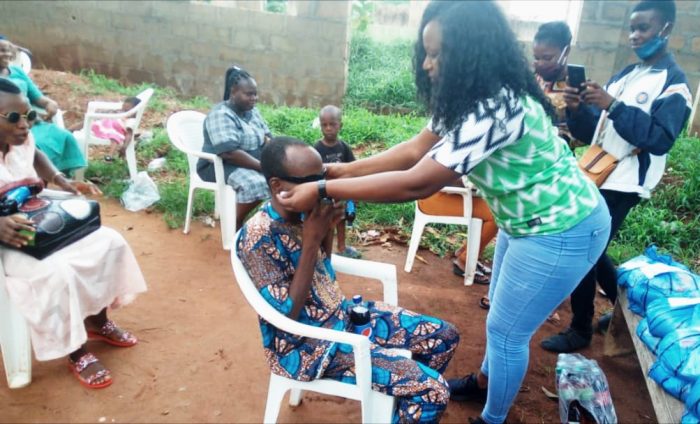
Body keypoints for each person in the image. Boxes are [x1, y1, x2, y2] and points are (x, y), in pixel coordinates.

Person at [276, 2, 611, 423]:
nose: (427, 64)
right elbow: (415, 149)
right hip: (524, 220)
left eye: (436, 54)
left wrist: (323, 187)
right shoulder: (466, 96)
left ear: (470, 53)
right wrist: (340, 170)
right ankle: (485, 382)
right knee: (502, 318)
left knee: (507, 332)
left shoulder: (495, 108)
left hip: (563, 228)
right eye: (426, 52)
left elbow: (417, 182)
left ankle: (492, 419)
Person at [237, 137, 460, 423]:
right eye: (310, 182)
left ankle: (400, 405)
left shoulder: (304, 215)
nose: (320, 188)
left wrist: (326, 229)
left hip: (340, 317)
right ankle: (412, 396)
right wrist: (312, 239)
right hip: (306, 348)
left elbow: (323, 269)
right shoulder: (258, 237)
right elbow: (287, 315)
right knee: (434, 391)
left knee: (444, 337)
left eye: (322, 179)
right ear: (277, 185)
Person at [541, 0, 692, 353]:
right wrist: (578, 109)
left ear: (666, 29)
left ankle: (580, 328)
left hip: (625, 182)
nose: (634, 35)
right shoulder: (626, 75)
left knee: (584, 249)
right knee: (594, 250)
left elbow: (659, 139)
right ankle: (625, 310)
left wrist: (613, 104)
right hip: (599, 173)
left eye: (643, 28)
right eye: (632, 28)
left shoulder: (674, 85)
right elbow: (594, 132)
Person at [0, 79, 147, 389]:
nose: (25, 124)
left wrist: (60, 179)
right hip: (10, 244)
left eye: (28, 116)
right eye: (13, 117)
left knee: (109, 242)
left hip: (36, 221)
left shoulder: (20, 139)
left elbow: (36, 155)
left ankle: (97, 321)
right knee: (59, 273)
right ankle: (75, 349)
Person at [197, 65, 271, 230]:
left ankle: (270, 226)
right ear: (233, 92)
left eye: (255, 94)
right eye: (248, 94)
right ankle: (234, 223)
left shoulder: (253, 112)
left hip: (250, 161)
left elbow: (267, 137)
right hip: (219, 165)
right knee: (256, 183)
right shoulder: (220, 114)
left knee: (281, 179)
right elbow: (229, 153)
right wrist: (262, 167)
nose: (254, 98)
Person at [0, 38, 86, 174]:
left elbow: (38, 97)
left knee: (65, 136)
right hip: (9, 125)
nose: (6, 54)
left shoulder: (17, 72)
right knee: (36, 145)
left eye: (7, 50)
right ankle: (33, 178)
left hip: (31, 121)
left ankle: (62, 177)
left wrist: (49, 104)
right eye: (1, 51)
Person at [416, 182, 496, 286]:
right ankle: (464, 260)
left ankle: (467, 254)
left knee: (496, 207)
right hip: (434, 197)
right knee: (496, 215)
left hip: (441, 192)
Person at [312, 105, 361, 258]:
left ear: (340, 125)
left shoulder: (344, 147)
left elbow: (353, 169)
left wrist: (354, 192)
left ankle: (341, 247)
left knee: (341, 219)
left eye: (332, 124)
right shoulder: (317, 148)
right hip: (324, 194)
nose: (328, 128)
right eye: (324, 125)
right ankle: (321, 249)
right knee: (324, 221)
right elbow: (314, 172)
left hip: (341, 192)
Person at [532, 21, 583, 150]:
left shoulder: (577, 89)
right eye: (536, 58)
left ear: (566, 52)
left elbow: (582, 135)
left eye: (547, 58)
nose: (540, 64)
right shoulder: (533, 80)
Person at [89, 96, 140, 162]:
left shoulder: (131, 121)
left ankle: (110, 155)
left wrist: (124, 147)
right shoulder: (121, 115)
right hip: (105, 126)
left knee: (115, 137)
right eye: (123, 109)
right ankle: (74, 130)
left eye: (126, 110)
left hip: (115, 131)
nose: (123, 112)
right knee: (90, 121)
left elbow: (129, 134)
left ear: (135, 111)